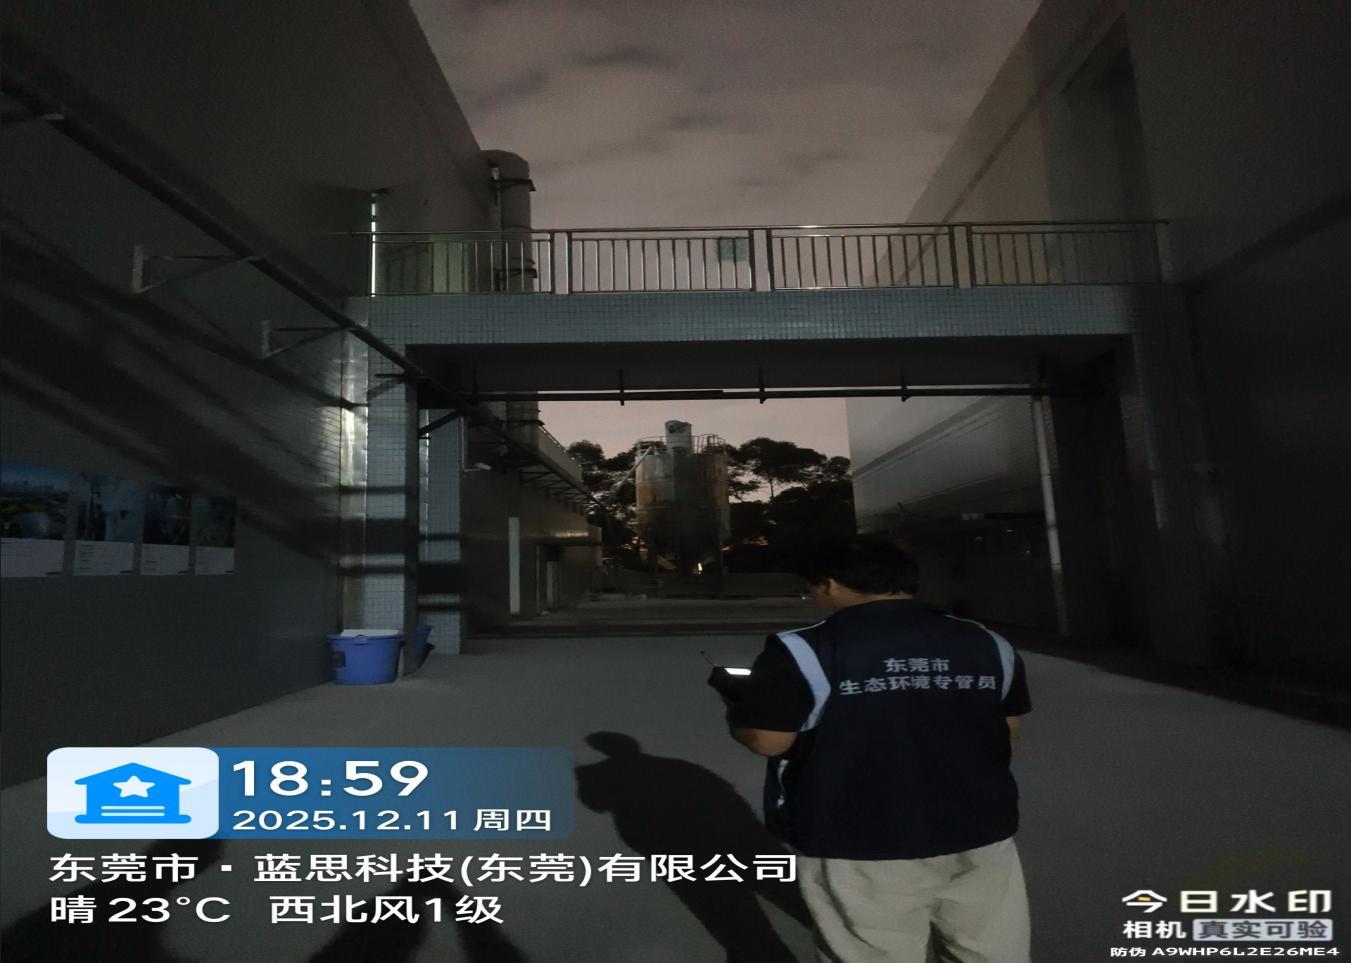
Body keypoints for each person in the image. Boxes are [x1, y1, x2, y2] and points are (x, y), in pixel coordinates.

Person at [711, 536, 1032, 963]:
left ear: (830, 584)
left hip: (859, 836)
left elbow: (768, 739)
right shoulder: (986, 641)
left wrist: (740, 709)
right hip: (980, 829)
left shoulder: (803, 649)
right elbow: (1008, 733)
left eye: (812, 586)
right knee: (989, 949)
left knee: (874, 951)